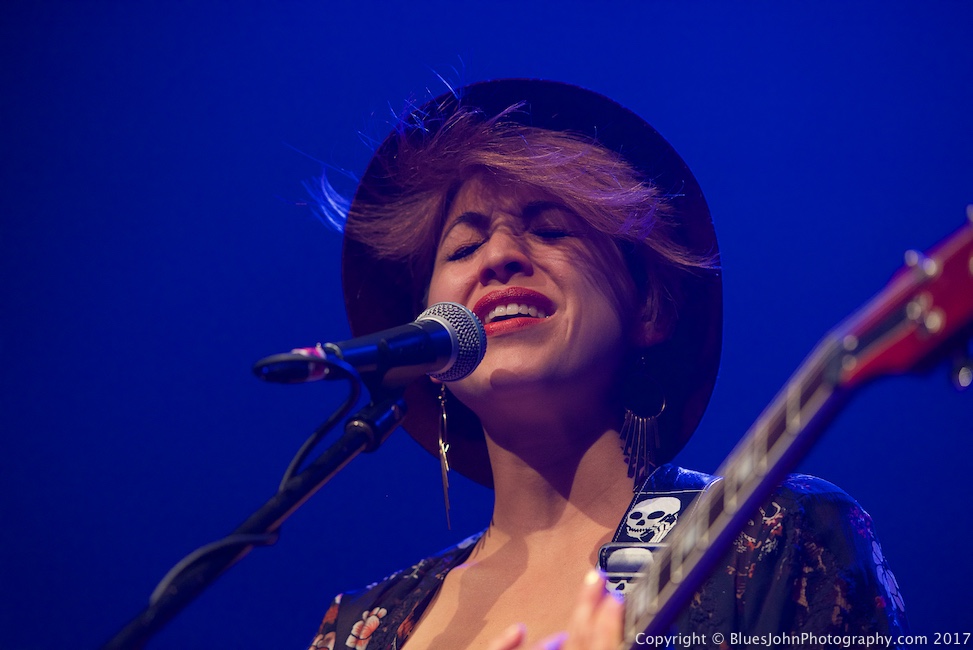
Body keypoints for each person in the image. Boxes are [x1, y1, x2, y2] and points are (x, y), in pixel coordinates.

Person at [307, 80, 907, 650]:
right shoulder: (359, 627)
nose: (499, 256)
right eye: (463, 247)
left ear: (648, 308)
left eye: (549, 230)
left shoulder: (773, 539)